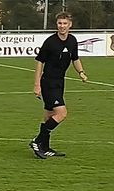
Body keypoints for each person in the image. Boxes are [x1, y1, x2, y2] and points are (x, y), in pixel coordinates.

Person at [29, 12, 88, 159]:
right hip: (48, 82)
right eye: (59, 23)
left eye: (64, 23)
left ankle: (45, 147)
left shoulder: (72, 40)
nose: (62, 26)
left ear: (70, 25)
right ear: (57, 24)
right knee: (61, 113)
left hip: (60, 82)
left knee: (49, 115)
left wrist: (81, 72)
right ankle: (37, 141)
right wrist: (37, 84)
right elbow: (39, 62)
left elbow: (75, 58)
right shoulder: (50, 42)